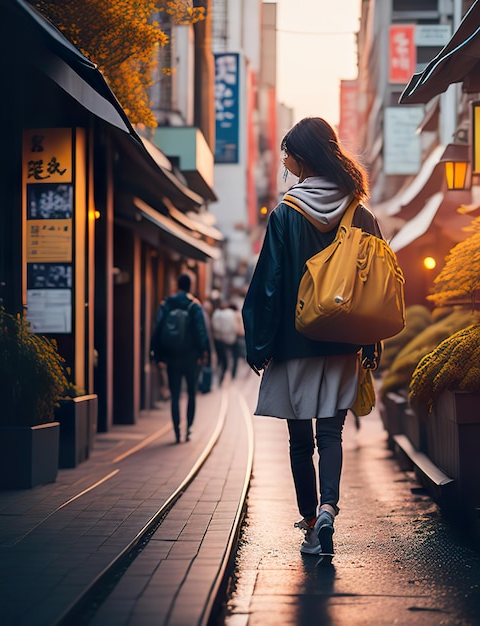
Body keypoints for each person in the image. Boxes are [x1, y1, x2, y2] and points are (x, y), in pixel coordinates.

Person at [242, 117, 383, 558]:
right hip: (344, 343)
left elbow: (269, 283)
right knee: (332, 436)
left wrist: (259, 343)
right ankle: (327, 509)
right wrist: (371, 341)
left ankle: (308, 524)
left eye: (288, 153)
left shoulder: (285, 213)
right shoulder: (359, 211)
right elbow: (376, 282)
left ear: (302, 158)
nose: (284, 161)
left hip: (294, 343)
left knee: (300, 441)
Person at [151, 273, 210, 443]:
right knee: (191, 393)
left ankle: (176, 430)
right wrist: (202, 353)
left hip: (172, 356)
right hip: (191, 357)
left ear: (177, 285)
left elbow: (158, 329)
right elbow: (201, 331)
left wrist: (158, 354)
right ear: (190, 286)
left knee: (175, 394)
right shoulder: (194, 306)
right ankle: (188, 429)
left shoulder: (166, 304)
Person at [211, 302, 240, 384]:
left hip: (218, 339)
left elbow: (214, 326)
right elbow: (235, 327)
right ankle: (232, 375)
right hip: (231, 338)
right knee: (234, 357)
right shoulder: (231, 314)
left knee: (221, 360)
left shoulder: (216, 313)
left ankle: (219, 377)